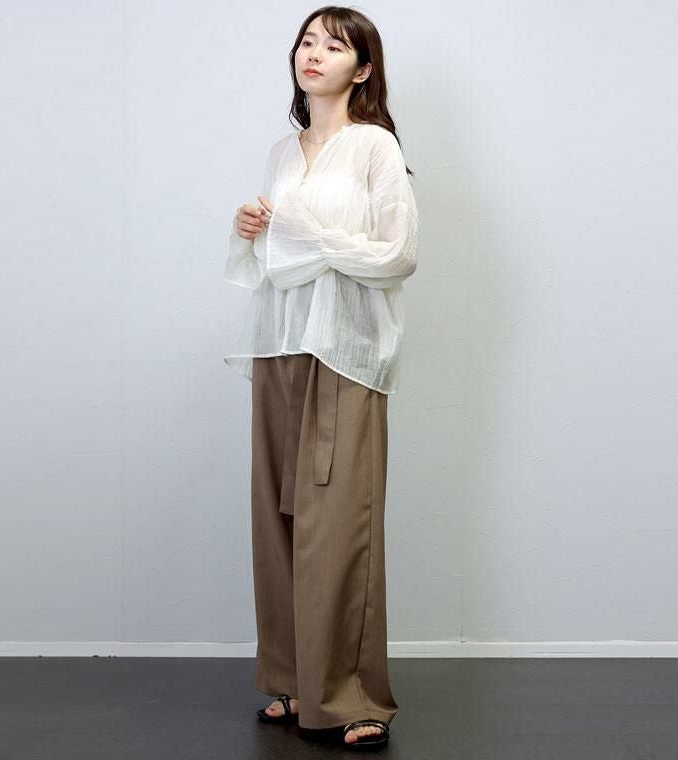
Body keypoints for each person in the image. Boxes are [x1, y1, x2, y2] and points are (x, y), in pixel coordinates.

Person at [224, 5, 420, 751]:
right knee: (277, 518)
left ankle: (353, 694)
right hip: (279, 345)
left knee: (339, 521)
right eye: (307, 41)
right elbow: (277, 260)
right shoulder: (283, 151)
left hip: (345, 349)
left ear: (361, 70)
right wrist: (251, 233)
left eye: (334, 47)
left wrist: (306, 235)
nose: (314, 54)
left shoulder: (374, 146)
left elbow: (397, 256)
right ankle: (294, 678)